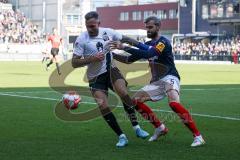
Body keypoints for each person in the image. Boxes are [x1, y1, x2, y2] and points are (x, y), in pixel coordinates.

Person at [110, 16, 205, 147]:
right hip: (156, 81)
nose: (148, 30)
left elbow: (151, 53)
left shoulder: (163, 42)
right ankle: (160, 127)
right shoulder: (147, 44)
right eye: (146, 28)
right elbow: (128, 60)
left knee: (174, 103)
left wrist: (126, 45)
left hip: (169, 76)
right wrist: (111, 55)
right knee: (134, 101)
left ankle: (198, 136)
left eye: (150, 27)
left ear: (158, 27)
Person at [72, 11, 163, 148]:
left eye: (93, 26)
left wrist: (146, 47)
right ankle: (121, 136)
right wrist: (92, 59)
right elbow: (74, 62)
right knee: (103, 105)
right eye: (88, 26)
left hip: (111, 70)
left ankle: (136, 127)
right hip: (95, 77)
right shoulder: (81, 39)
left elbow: (127, 39)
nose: (90, 29)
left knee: (123, 92)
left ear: (99, 24)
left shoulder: (108, 32)